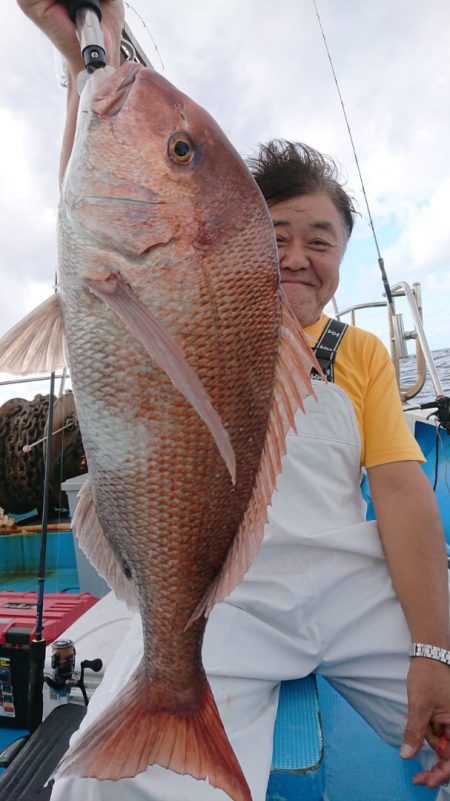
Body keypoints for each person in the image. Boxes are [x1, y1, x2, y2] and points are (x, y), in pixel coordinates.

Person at [16, 1, 450, 798]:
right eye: (275, 232)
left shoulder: (361, 355)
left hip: (354, 587)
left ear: (342, 258)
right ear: (235, 231)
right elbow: (98, 202)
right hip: (220, 604)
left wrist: (434, 649)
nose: (296, 257)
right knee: (109, 787)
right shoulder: (150, 286)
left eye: (320, 240)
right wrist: (84, 61)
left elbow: (400, 488)